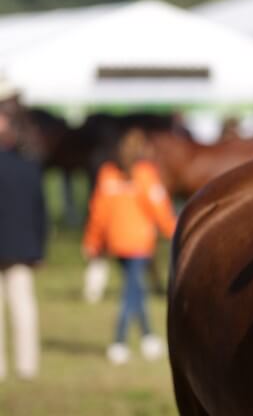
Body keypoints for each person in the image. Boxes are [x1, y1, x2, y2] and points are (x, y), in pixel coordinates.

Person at [82, 128, 177, 365]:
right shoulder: (146, 175)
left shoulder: (107, 174)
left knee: (135, 289)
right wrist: (176, 233)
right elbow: (160, 209)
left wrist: (93, 241)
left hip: (117, 243)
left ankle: (148, 337)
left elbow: (98, 213)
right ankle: (119, 341)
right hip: (139, 244)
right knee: (130, 293)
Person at [0, 78, 48, 381]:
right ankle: (27, 365)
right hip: (22, 248)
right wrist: (39, 248)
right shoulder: (30, 166)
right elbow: (40, 212)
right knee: (23, 307)